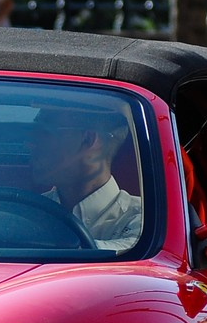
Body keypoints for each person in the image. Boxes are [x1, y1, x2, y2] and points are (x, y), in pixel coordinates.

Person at [25, 106, 142, 252]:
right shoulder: (28, 212)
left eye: (45, 132)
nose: (30, 143)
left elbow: (132, 256)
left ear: (87, 139)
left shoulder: (146, 221)